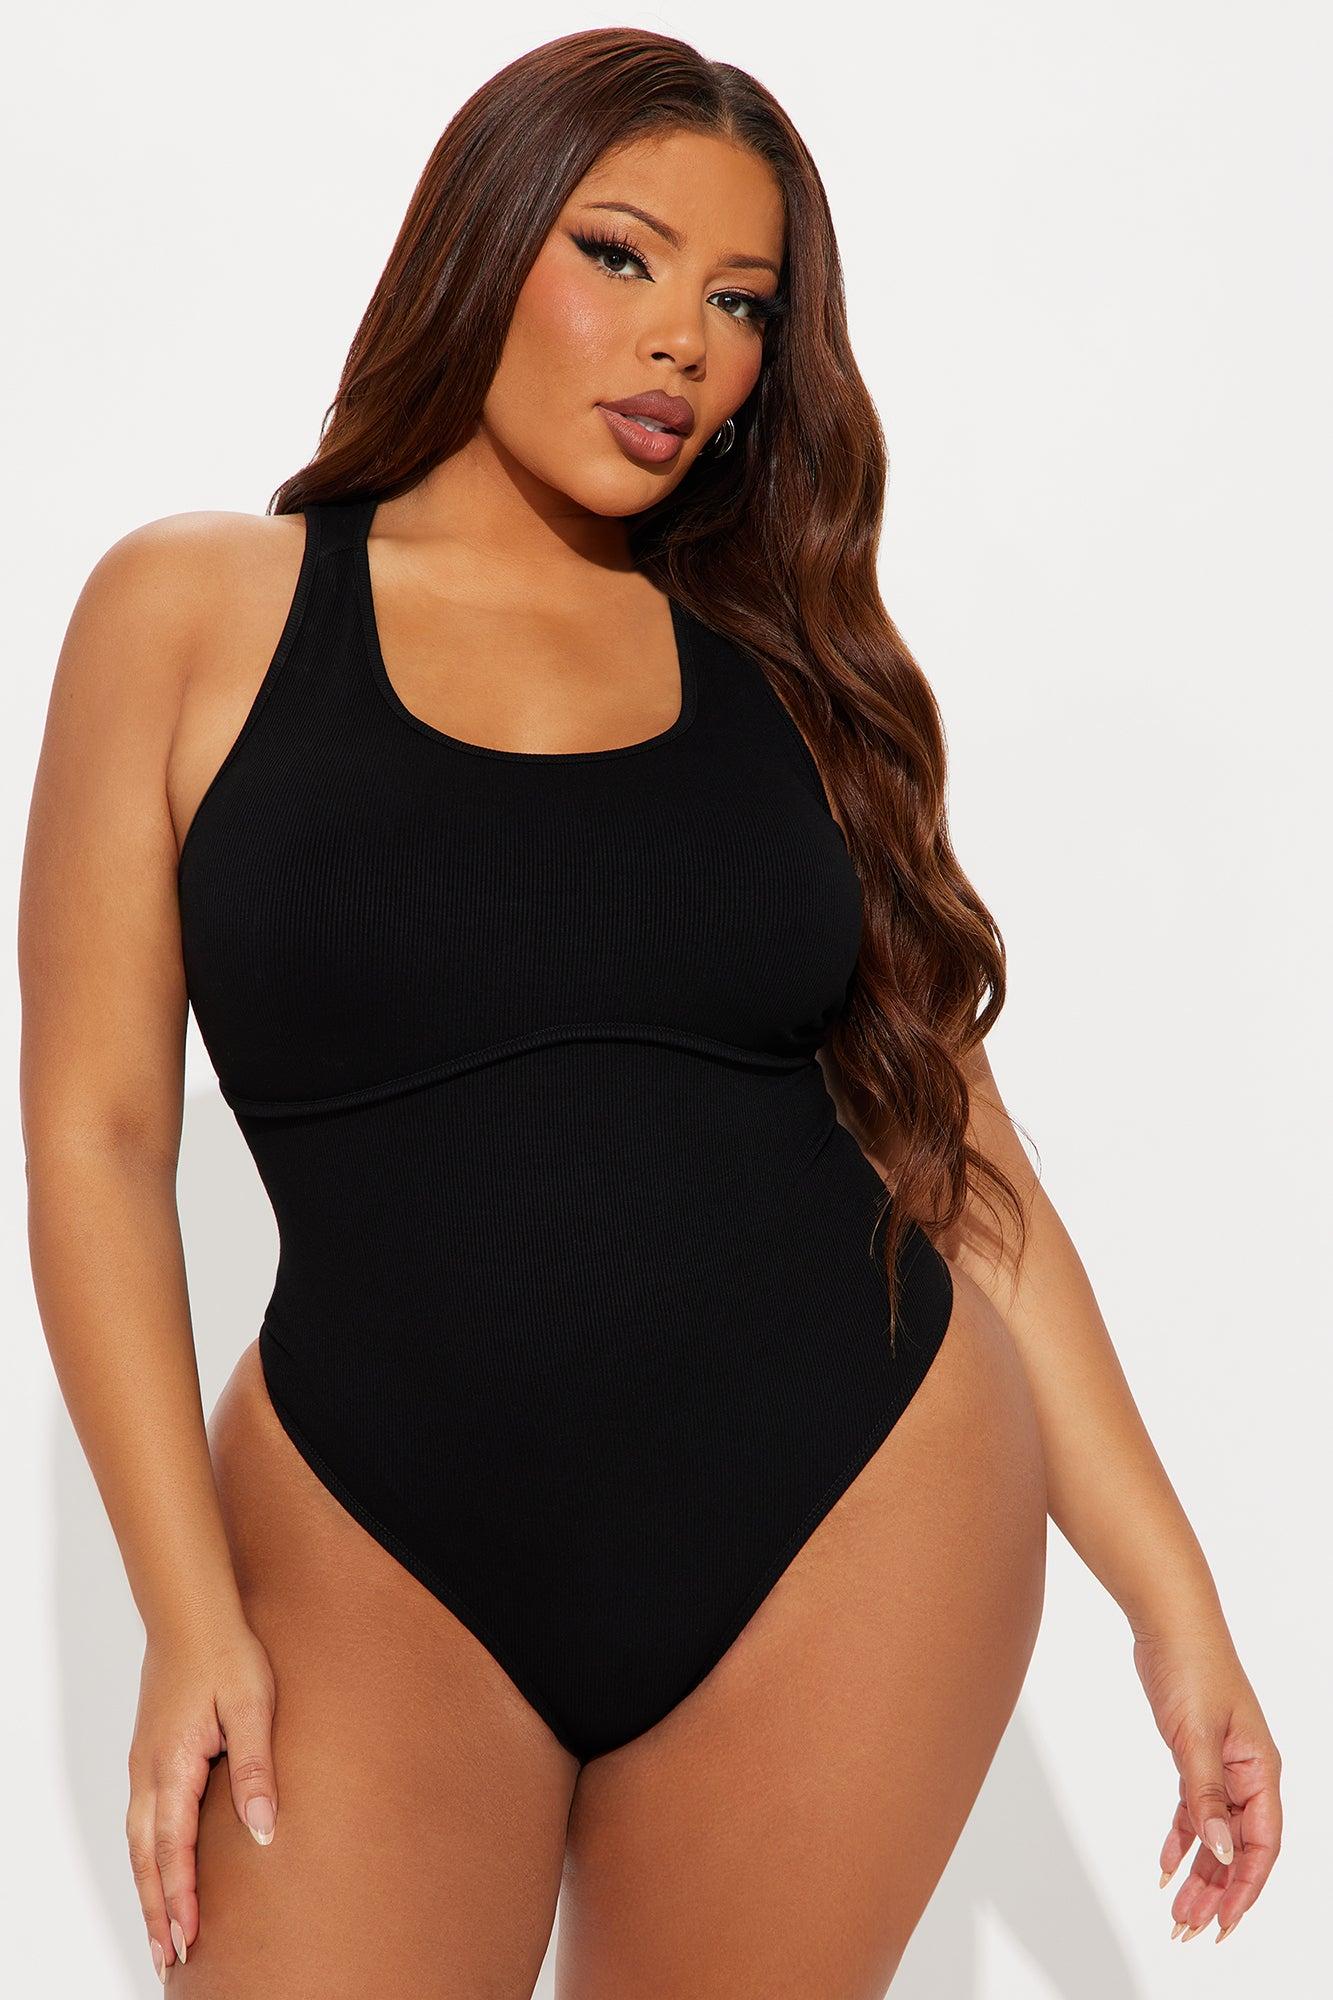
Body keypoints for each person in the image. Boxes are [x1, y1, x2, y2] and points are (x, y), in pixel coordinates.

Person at [19, 26, 1281, 1996]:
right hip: (371, 1534)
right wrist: (182, 1612)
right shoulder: (192, 611)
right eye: (619, 255)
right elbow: (96, 1134)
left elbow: (952, 1150)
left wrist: (1171, 1601)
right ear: (485, 239)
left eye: (741, 303)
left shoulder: (782, 667)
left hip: (845, 1513)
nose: (683, 341)